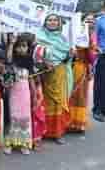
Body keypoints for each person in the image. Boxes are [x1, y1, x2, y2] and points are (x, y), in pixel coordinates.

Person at [36, 13, 73, 144]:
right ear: (45, 22)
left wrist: (70, 55)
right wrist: (44, 62)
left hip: (60, 73)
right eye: (49, 20)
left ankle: (57, 132)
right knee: (44, 102)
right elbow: (35, 54)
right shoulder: (39, 36)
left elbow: (66, 58)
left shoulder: (63, 39)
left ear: (59, 23)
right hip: (44, 74)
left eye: (55, 20)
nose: (52, 22)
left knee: (59, 102)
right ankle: (42, 131)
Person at [3, 34, 34, 155]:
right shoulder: (12, 60)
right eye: (19, 46)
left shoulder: (29, 60)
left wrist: (34, 93)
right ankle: (9, 143)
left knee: (25, 117)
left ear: (28, 47)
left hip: (25, 93)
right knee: (13, 116)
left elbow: (31, 77)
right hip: (13, 93)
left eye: (24, 46)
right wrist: (11, 43)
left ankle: (24, 144)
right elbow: (9, 60)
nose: (21, 48)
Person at [68, 14, 95, 132]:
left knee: (81, 95)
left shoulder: (93, 37)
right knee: (70, 94)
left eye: (92, 21)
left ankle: (78, 122)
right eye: (87, 20)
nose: (89, 23)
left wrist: (90, 44)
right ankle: (68, 122)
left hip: (82, 68)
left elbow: (92, 58)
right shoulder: (75, 34)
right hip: (70, 67)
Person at [93, 0, 105, 122]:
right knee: (100, 83)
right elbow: (94, 38)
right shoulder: (99, 21)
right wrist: (96, 47)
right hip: (103, 56)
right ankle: (97, 110)